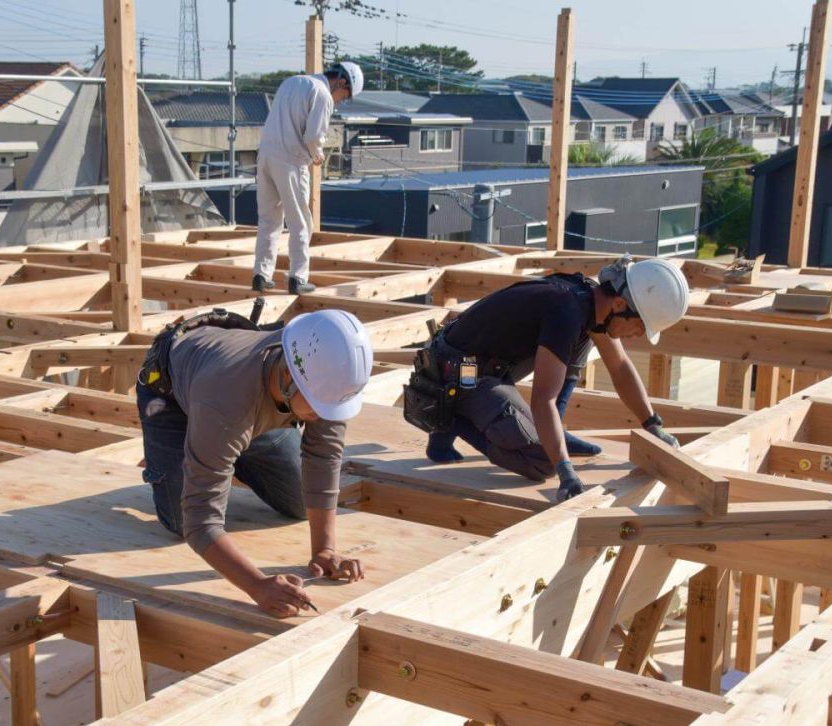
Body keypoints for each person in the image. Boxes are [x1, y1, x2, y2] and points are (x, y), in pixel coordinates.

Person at [136, 308, 373, 618]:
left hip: (240, 406)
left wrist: (325, 550)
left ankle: (222, 455)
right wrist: (257, 585)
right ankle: (208, 458)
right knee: (180, 520)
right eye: (319, 407)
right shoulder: (224, 399)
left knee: (298, 502)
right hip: (172, 395)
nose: (326, 416)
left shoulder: (327, 382)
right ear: (289, 375)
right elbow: (200, 522)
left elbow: (324, 456)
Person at [412, 256, 690, 501]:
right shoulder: (566, 313)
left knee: (586, 339)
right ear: (620, 304)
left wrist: (652, 425)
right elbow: (543, 399)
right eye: (640, 326)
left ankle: (549, 433)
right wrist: (565, 472)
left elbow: (619, 367)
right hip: (461, 374)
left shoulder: (589, 301)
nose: (638, 335)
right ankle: (451, 419)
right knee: (542, 463)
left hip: (485, 366)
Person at [251, 61, 364, 296]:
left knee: (269, 220)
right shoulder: (323, 94)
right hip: (291, 160)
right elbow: (313, 135)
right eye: (345, 94)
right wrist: (318, 154)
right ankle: (298, 277)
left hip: (265, 157)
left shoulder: (292, 81)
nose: (342, 99)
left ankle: (261, 275)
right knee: (300, 222)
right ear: (341, 82)